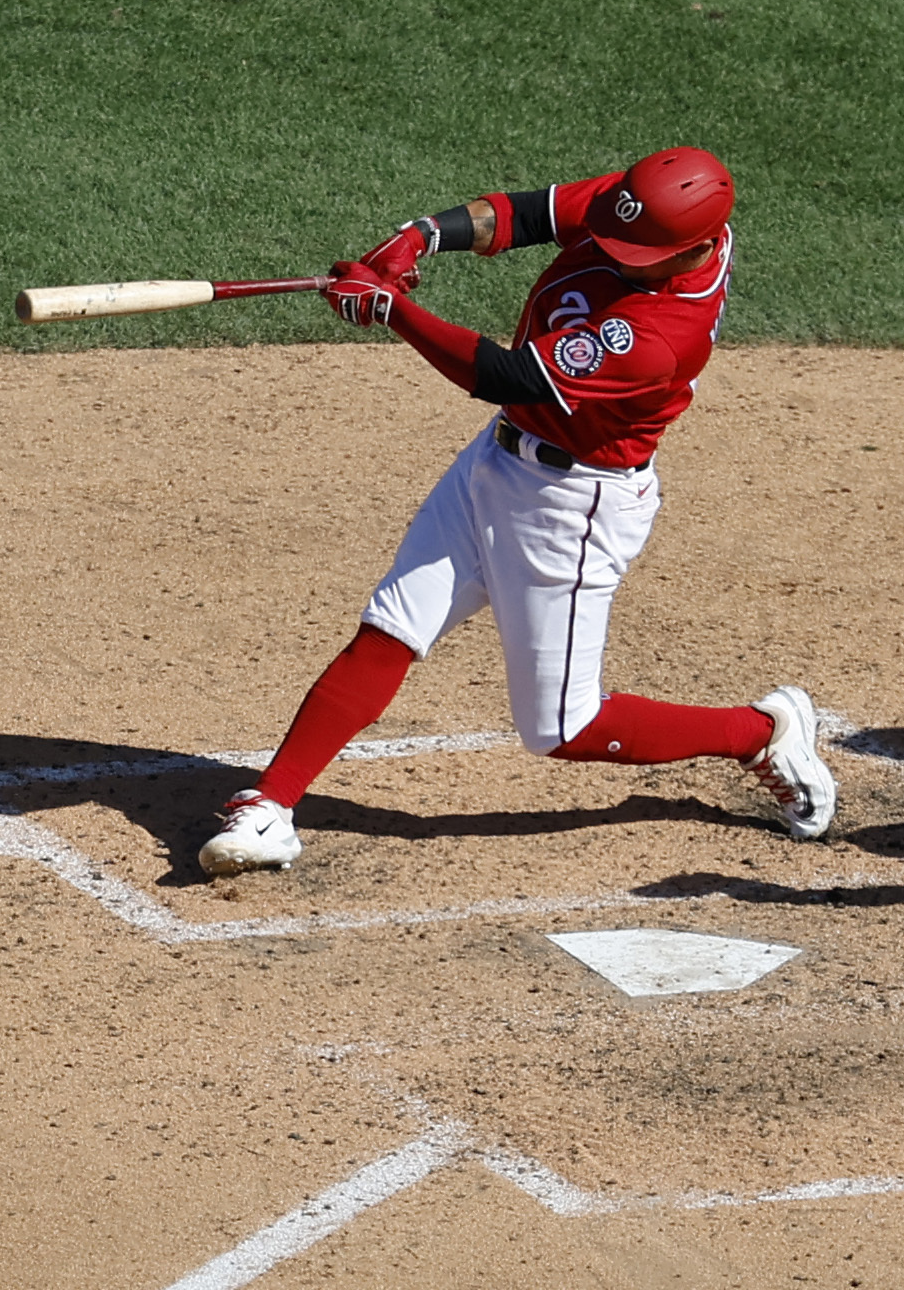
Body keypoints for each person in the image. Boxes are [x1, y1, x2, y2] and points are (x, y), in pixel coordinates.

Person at [195, 147, 835, 876]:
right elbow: (526, 214)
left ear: (692, 248)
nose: (619, 258)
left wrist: (390, 308)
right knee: (391, 627)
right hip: (496, 463)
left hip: (572, 507)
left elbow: (508, 376)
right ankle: (270, 807)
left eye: (638, 255)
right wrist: (422, 234)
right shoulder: (646, 208)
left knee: (562, 727)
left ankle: (758, 732)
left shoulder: (658, 336)